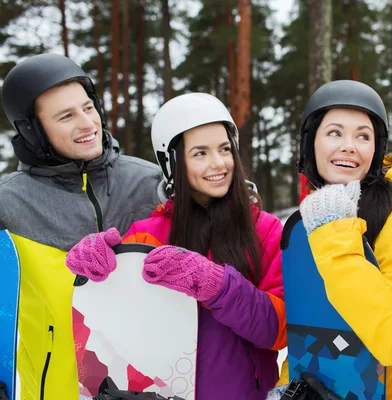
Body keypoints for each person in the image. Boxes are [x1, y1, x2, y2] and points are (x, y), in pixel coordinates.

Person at [66, 93, 287, 399]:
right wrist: (96, 274)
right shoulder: (147, 236)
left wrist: (218, 286)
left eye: (225, 149)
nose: (219, 163)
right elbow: (113, 326)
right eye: (200, 153)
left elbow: (278, 331)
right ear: (171, 163)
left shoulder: (264, 229)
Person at [0, 53, 163, 399]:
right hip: (55, 389)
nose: (87, 123)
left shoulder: (150, 183)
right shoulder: (8, 205)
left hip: (154, 384)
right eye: (66, 116)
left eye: (88, 108)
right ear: (32, 131)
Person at [294, 80, 392, 399]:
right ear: (311, 143)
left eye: (363, 136)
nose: (349, 145)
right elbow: (308, 332)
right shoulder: (306, 223)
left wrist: (335, 236)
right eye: (335, 132)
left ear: (376, 149)